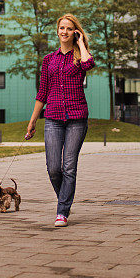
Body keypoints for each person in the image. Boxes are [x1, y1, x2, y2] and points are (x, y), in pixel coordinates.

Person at [25, 14, 94, 227]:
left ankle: (62, 211)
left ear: (75, 31)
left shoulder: (80, 56)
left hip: (76, 119)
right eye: (61, 28)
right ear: (57, 31)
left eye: (69, 28)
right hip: (53, 119)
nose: (64, 31)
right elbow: (42, 93)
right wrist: (33, 121)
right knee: (54, 168)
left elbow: (89, 65)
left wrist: (81, 42)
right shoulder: (49, 60)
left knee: (69, 167)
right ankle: (65, 200)